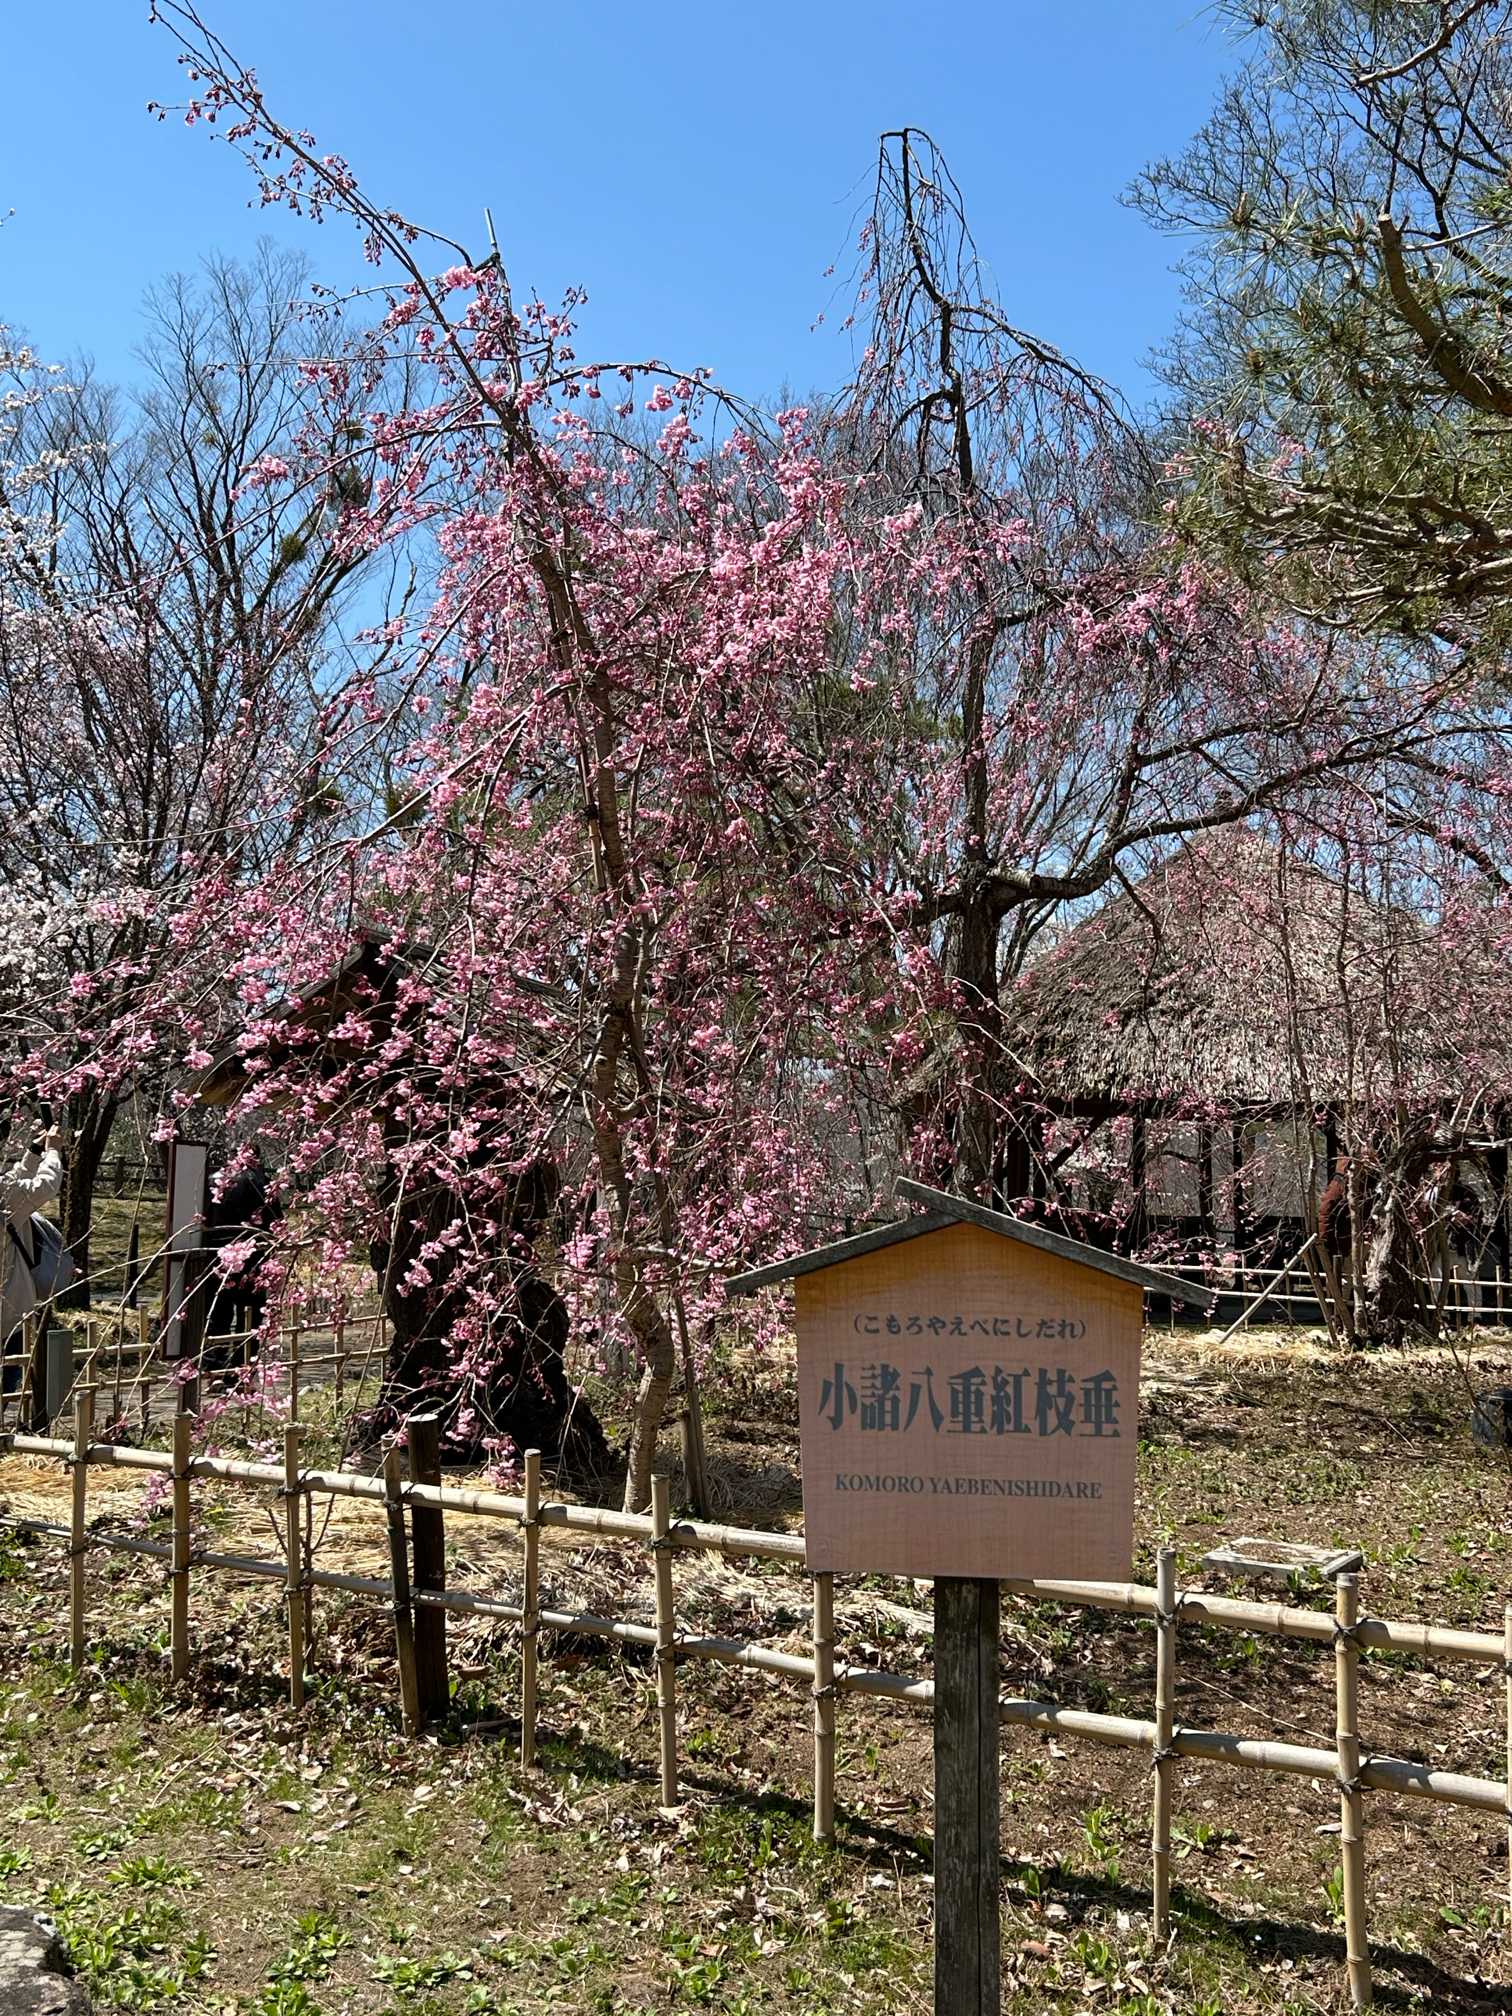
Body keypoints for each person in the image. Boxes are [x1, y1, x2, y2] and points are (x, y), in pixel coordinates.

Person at [0, 1119, 67, 1390]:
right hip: (8, 1310)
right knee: (7, 1378)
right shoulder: (5, 1197)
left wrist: (34, 1152)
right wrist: (52, 1150)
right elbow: (46, 1185)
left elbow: (13, 1185)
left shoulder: (6, 1194)